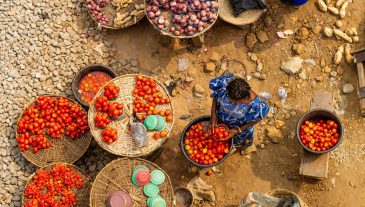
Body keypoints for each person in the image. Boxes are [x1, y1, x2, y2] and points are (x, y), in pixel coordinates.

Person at [209, 73, 270, 154]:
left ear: (243, 100)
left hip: (239, 126)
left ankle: (237, 147)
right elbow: (216, 97)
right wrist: (213, 115)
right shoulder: (227, 86)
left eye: (231, 100)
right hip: (221, 119)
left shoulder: (256, 105)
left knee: (236, 141)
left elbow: (258, 118)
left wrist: (237, 130)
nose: (229, 101)